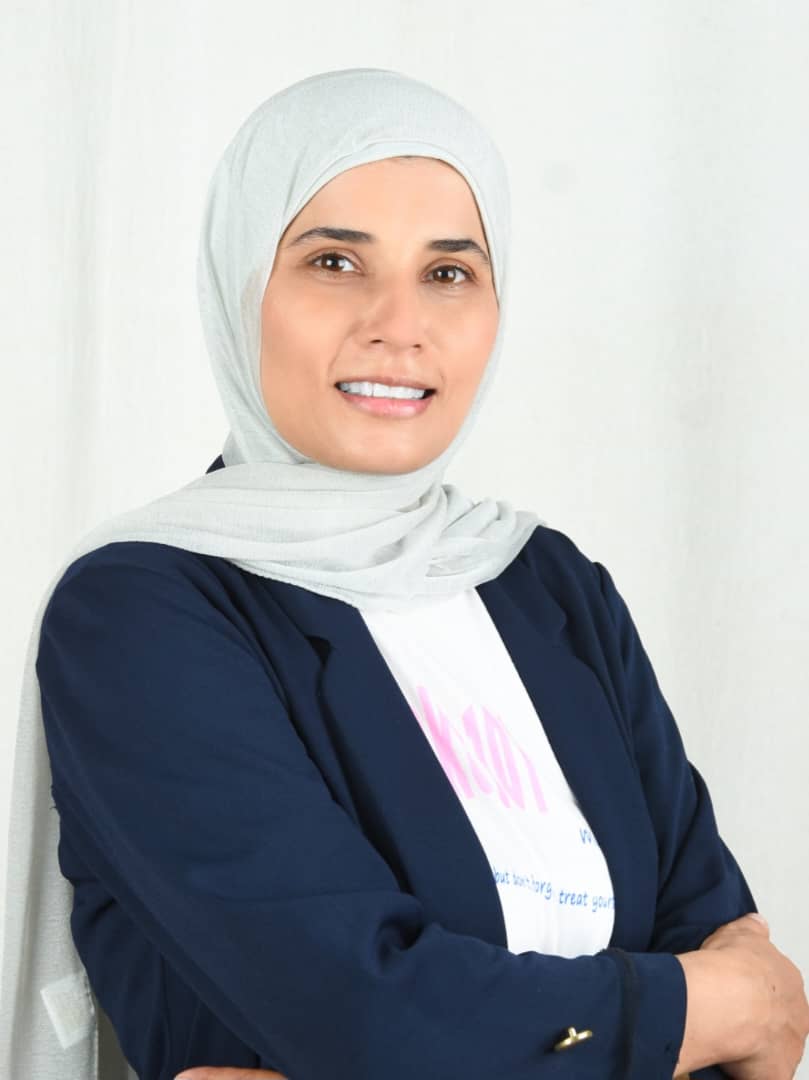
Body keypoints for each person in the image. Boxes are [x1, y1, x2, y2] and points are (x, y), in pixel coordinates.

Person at [1, 66, 807, 1080]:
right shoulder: (141, 615)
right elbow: (363, 1014)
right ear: (240, 286)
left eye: (448, 272)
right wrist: (696, 1013)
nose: (397, 323)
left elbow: (750, 1026)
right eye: (334, 261)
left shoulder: (548, 586)